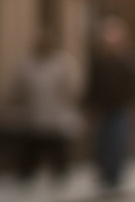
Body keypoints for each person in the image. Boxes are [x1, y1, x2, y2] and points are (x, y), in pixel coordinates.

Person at [11, 30, 82, 181]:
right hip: (35, 113)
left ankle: (60, 173)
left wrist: (67, 101)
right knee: (33, 146)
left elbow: (72, 86)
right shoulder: (28, 62)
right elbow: (20, 86)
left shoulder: (62, 62)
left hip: (56, 113)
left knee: (56, 147)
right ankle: (26, 174)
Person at [85, 15, 135, 190]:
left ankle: (114, 175)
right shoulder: (99, 62)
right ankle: (105, 173)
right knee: (103, 142)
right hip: (103, 108)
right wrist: (90, 106)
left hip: (120, 108)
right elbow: (92, 85)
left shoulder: (126, 62)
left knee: (118, 142)